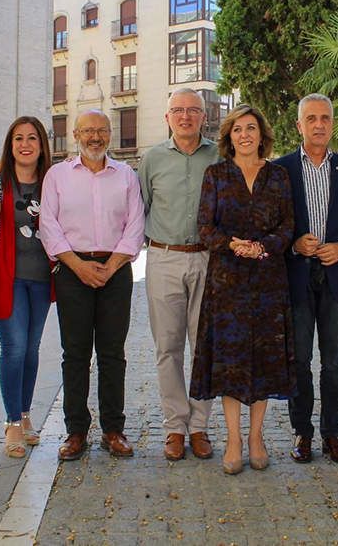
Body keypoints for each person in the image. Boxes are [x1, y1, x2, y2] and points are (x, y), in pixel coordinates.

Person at [189, 104, 296, 475]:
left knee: (263, 359)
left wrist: (263, 246)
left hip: (268, 280)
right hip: (227, 282)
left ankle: (256, 438)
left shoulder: (279, 176)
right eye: (238, 129)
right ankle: (234, 439)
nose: (245, 135)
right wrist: (233, 245)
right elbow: (205, 226)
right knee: (232, 362)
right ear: (229, 136)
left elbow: (288, 225)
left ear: (262, 135)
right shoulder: (215, 175)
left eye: (251, 128)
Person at [39, 109, 145, 461]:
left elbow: (135, 224)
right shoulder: (57, 175)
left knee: (113, 353)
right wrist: (78, 266)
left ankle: (113, 429)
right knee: (75, 353)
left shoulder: (126, 175)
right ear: (75, 134)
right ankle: (76, 432)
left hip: (116, 270)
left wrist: (111, 265)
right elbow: (48, 225)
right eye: (88, 131)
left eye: (101, 130)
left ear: (110, 134)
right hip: (72, 270)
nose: (95, 137)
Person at [273, 93, 338, 465]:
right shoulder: (281, 170)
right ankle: (302, 433)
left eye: (324, 118)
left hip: (336, 276)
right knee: (297, 361)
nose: (318, 124)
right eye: (310, 118)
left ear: (332, 123)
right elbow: (274, 225)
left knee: (335, 362)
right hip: (296, 276)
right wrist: (295, 243)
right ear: (299, 125)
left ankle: (332, 433)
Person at [139, 88, 219, 461]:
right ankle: (174, 427)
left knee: (204, 348)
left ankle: (200, 426)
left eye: (193, 110)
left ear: (204, 117)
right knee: (167, 348)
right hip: (164, 258)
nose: (185, 116)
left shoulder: (220, 157)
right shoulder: (152, 159)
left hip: (208, 259)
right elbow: (143, 207)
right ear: (167, 117)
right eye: (178, 110)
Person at [0, 117, 54, 458]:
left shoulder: (54, 183)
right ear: (10, 144)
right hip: (7, 278)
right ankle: (10, 423)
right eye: (18, 138)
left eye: (32, 138)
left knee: (32, 348)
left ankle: (24, 414)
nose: (25, 144)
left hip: (43, 279)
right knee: (15, 348)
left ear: (41, 144)